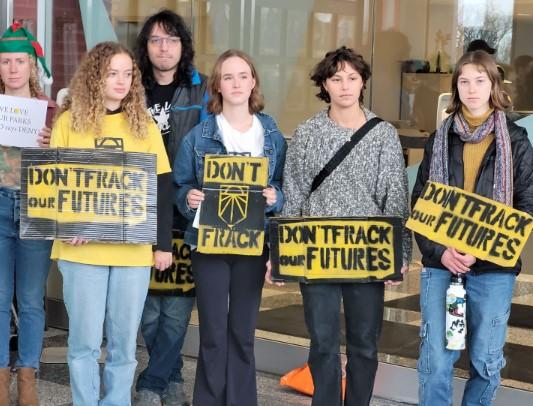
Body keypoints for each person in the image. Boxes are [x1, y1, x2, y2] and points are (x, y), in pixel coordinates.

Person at [278, 46, 411, 406]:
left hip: (367, 252)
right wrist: (280, 256)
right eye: (336, 78)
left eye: (352, 77)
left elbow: (396, 198)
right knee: (322, 342)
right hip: (316, 250)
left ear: (363, 81)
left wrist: (399, 253)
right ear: (324, 84)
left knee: (364, 344)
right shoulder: (307, 133)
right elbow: (293, 195)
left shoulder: (382, 133)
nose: (345, 86)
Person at [49, 41, 173, 406]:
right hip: (81, 250)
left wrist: (162, 243)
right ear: (94, 77)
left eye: (127, 74)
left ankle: (117, 402)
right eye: (111, 73)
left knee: (123, 342)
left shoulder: (144, 125)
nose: (121, 81)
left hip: (132, 250)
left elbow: (161, 185)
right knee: (84, 342)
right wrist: (67, 224)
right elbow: (52, 183)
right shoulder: (68, 122)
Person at [412, 50, 533, 405]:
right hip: (441, 266)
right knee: (435, 359)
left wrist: (483, 246)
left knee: (486, 359)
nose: (472, 88)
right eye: (464, 81)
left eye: (480, 80)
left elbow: (526, 204)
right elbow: (421, 202)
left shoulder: (515, 141)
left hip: (493, 268)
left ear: (494, 86)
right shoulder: (439, 139)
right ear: (455, 88)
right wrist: (440, 252)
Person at [174, 49, 286, 406]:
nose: (236, 83)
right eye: (227, 77)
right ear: (217, 86)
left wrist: (276, 196)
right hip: (209, 244)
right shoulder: (199, 135)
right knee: (212, 332)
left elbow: (285, 186)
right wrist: (188, 198)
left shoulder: (271, 134)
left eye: (242, 76)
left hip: (253, 244)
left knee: (242, 332)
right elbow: (181, 186)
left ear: (253, 82)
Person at [133, 9, 208, 405]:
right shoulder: (131, 88)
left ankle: (153, 381)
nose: (164, 47)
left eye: (172, 39)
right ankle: (171, 374)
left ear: (184, 46)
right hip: (137, 204)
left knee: (176, 305)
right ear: (146, 47)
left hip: (183, 204)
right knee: (147, 305)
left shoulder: (201, 89)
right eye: (156, 40)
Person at [0, 22, 56, 406]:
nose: (13, 69)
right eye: (6, 62)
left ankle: (27, 376)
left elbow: (68, 169)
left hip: (36, 208)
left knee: (30, 299)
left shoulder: (53, 113)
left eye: (20, 61)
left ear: (33, 66)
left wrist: (52, 143)